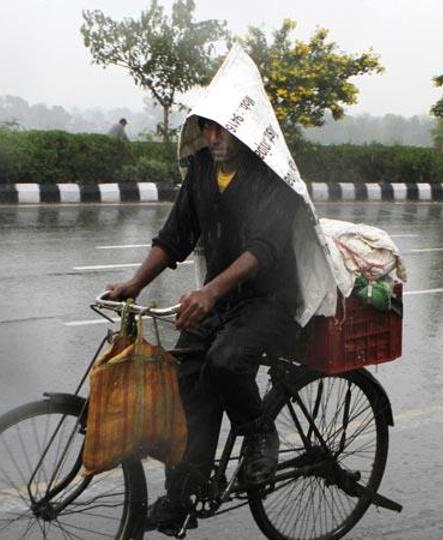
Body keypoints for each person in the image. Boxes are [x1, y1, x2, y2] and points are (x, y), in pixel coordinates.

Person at [105, 116, 303, 535]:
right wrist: (135, 284)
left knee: (225, 360)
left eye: (223, 130)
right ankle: (182, 497)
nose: (213, 139)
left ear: (244, 131)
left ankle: (261, 435)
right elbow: (176, 235)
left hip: (270, 300)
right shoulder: (200, 169)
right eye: (207, 129)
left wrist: (209, 292)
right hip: (221, 299)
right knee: (187, 380)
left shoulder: (272, 176)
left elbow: (263, 249)